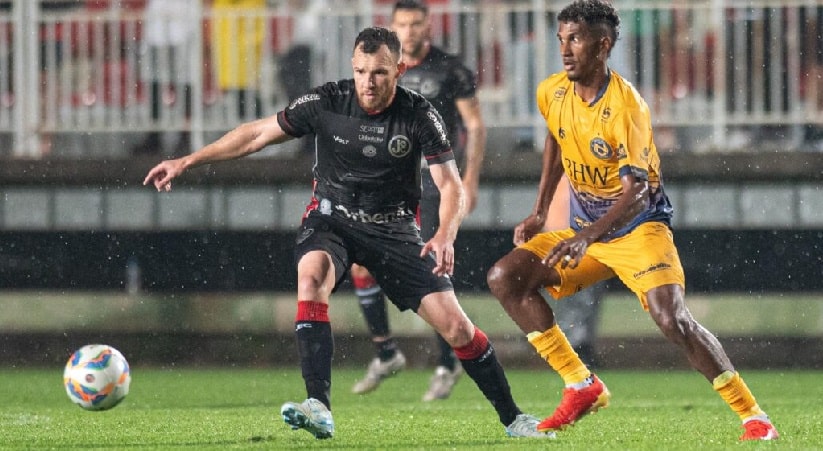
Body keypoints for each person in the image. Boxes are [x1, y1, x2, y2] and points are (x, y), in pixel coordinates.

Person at [143, 26, 550, 441]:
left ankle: (514, 419)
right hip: (332, 219)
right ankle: (318, 405)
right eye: (360, 72)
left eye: (378, 73)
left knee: (458, 329)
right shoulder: (327, 101)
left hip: (393, 229)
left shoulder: (419, 114)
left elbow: (451, 186)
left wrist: (444, 233)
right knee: (311, 277)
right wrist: (187, 161)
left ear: (400, 70)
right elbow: (257, 134)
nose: (367, 83)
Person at [485, 0, 778, 442]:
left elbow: (637, 191)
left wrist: (585, 235)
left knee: (671, 319)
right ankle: (582, 384)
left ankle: (754, 417)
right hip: (588, 231)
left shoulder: (628, 107)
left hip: (640, 229)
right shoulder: (552, 91)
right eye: (561, 39)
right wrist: (541, 210)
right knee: (506, 277)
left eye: (576, 40)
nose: (565, 50)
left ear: (603, 46)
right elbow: (555, 138)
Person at [349, 0, 486, 402]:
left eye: (415, 24)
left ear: (429, 26)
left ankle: (448, 361)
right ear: (391, 28)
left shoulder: (450, 70)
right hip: (387, 183)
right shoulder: (381, 70)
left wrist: (470, 179)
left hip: (431, 184)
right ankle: (386, 351)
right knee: (360, 262)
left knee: (428, 269)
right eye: (401, 24)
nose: (408, 31)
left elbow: (475, 126)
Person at [131, 0, 198, 157]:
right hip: (158, 22)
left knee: (185, 80)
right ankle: (155, 132)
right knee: (154, 78)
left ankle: (186, 134)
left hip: (184, 20)